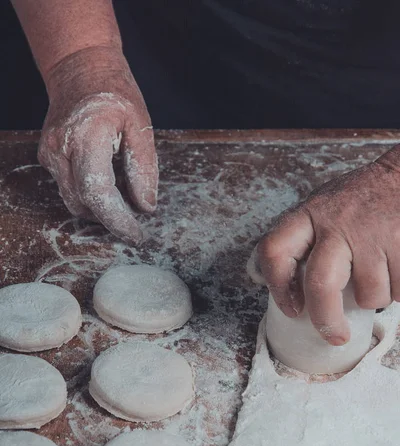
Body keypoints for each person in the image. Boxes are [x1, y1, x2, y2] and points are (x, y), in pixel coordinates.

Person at [6, 0, 400, 346]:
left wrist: (392, 177)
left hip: (367, 85)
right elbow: (80, 56)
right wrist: (81, 60)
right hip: (144, 37)